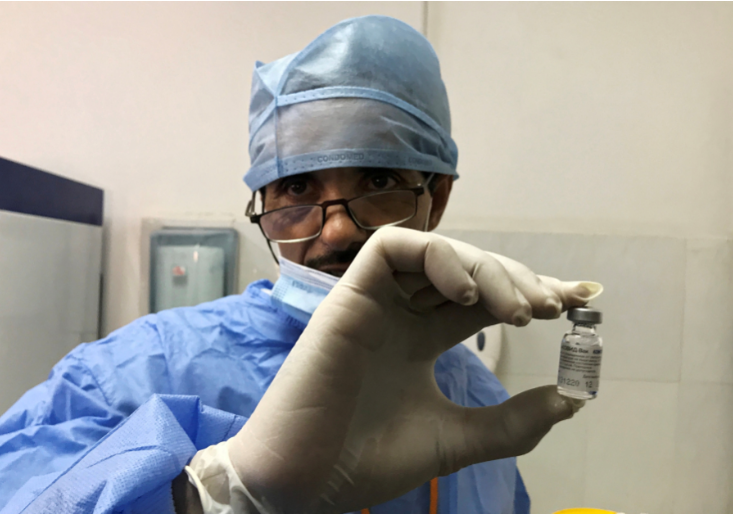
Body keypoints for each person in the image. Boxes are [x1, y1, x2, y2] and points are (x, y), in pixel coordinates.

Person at [0, 16, 602, 514]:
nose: (337, 227)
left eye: (379, 179)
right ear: (262, 204)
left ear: (436, 199)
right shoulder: (135, 374)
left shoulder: (476, 397)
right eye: (295, 188)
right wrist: (213, 491)